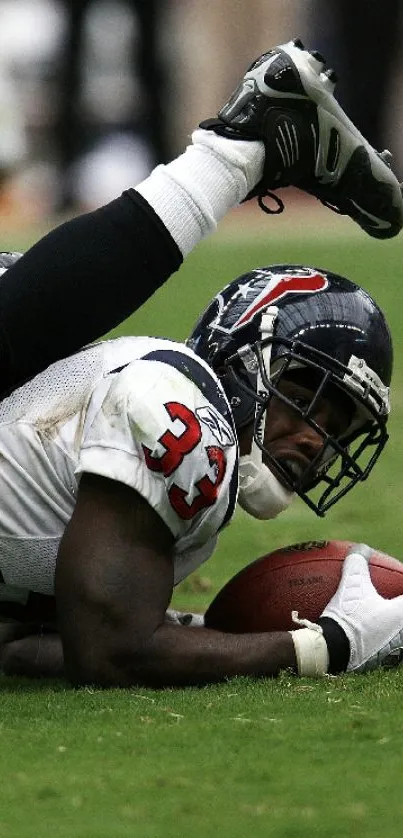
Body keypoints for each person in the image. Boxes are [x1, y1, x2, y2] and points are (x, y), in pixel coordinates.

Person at [0, 39, 402, 686]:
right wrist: (325, 646)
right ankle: (241, 150)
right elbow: (111, 653)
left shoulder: (192, 512)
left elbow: (36, 648)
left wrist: (203, 633)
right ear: (247, 358)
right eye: (307, 396)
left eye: (338, 425)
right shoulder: (176, 406)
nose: (314, 437)